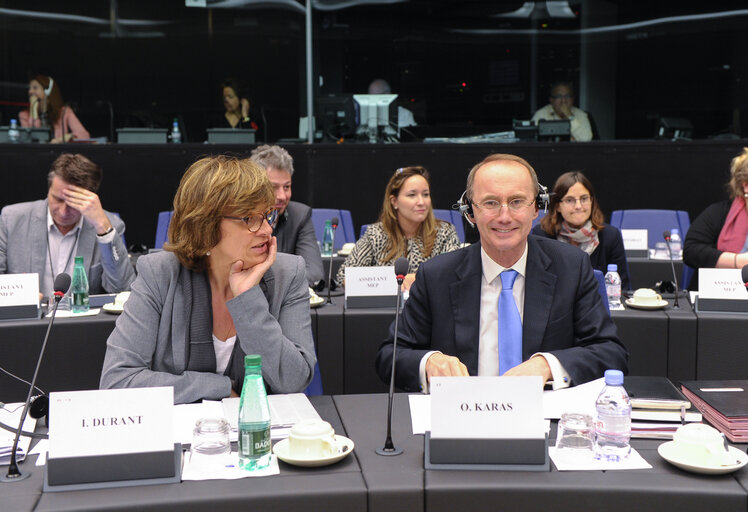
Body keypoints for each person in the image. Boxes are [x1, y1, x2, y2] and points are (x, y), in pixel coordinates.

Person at [375, 154, 628, 393]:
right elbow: (390, 356)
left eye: (517, 201)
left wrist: (547, 365)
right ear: (471, 212)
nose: (504, 216)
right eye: (491, 203)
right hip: (462, 419)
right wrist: (429, 362)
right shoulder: (436, 275)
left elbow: (610, 353)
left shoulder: (572, 268)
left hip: (545, 421)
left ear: (536, 209)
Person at [100, 156, 316, 405]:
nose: (267, 231)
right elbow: (117, 382)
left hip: (261, 434)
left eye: (268, 216)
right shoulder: (160, 274)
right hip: (182, 436)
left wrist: (248, 301)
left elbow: (294, 380)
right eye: (250, 219)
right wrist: (218, 388)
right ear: (206, 225)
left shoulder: (287, 274)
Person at [0, 153, 134, 298]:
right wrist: (19, 296)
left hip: (83, 319)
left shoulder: (109, 225)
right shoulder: (12, 220)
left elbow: (123, 291)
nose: (64, 212)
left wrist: (103, 230)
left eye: (74, 204)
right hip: (30, 319)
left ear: (91, 199)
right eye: (58, 199)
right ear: (49, 190)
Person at [336, 166, 460, 290]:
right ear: (394, 201)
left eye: (426, 194)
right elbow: (344, 277)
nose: (421, 202)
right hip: (385, 308)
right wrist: (393, 282)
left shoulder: (445, 232)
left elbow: (455, 274)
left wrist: (412, 279)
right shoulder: (376, 234)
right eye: (412, 195)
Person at [531, 171, 630, 290]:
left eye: (584, 199)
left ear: (591, 201)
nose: (578, 206)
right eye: (569, 200)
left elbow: (623, 287)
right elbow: (537, 284)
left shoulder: (610, 236)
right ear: (557, 206)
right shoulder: (542, 235)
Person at [249, 144, 324, 287]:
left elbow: (314, 273)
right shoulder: (241, 220)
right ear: (254, 186)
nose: (282, 196)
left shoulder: (300, 215)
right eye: (273, 187)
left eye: (287, 187)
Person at [683, 148, 748, 289]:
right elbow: (691, 251)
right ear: (745, 185)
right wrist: (737, 261)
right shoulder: (719, 213)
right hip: (720, 295)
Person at [19, 74, 90, 143]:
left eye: (35, 88)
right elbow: (32, 139)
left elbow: (84, 135)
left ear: (47, 91)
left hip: (59, 152)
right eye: (29, 88)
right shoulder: (24, 115)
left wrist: (65, 137)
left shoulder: (64, 112)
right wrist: (33, 110)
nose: (30, 91)